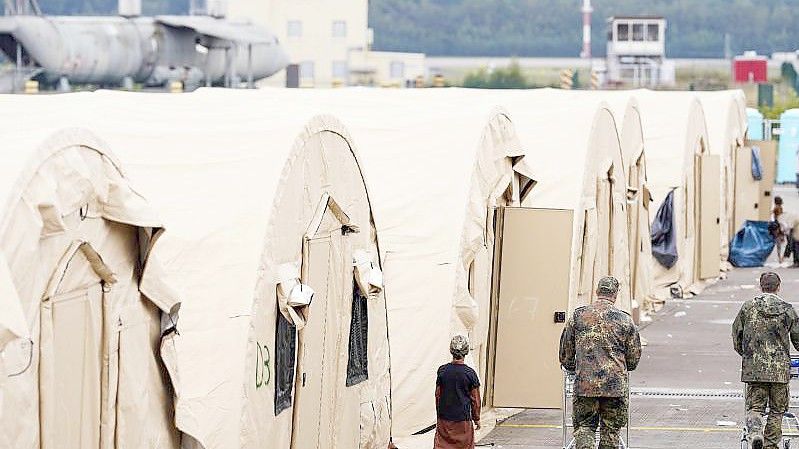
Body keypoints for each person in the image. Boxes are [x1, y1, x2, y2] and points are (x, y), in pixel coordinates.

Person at [559, 276, 642, 449]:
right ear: (616, 294)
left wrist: (574, 368)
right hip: (615, 387)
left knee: (584, 427)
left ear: (597, 292)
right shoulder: (625, 320)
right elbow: (633, 359)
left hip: (585, 385)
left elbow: (566, 353)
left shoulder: (579, 316)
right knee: (611, 431)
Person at [733, 272, 799, 449]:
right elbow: (798, 339)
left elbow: (736, 335)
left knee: (755, 408)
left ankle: (755, 434)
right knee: (777, 411)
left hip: (754, 370)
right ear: (779, 287)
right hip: (779, 371)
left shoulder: (748, 307)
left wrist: (747, 355)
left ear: (760, 286)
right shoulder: (788, 309)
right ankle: (770, 445)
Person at [434, 335, 481, 449]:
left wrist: (440, 415)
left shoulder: (442, 371)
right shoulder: (470, 374)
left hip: (444, 420)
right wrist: (477, 418)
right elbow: (475, 400)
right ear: (466, 351)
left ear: (451, 350)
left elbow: (438, 396)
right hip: (463, 421)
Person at [770, 197, 787, 264]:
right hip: (779, 226)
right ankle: (780, 258)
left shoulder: (776, 207)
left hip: (777, 225)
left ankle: (780, 257)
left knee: (779, 242)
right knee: (780, 242)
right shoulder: (778, 208)